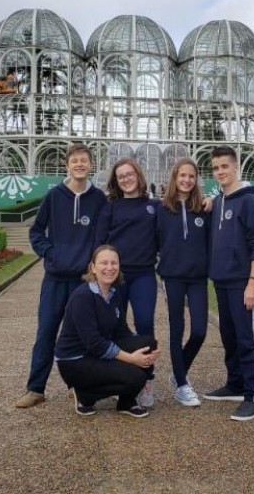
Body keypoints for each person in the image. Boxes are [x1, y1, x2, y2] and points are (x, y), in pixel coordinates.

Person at [15, 143, 107, 409]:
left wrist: (93, 263)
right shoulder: (54, 196)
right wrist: (50, 254)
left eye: (84, 160)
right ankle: (36, 388)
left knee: (83, 335)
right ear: (67, 165)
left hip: (82, 281)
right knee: (46, 332)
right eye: (74, 160)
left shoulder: (98, 199)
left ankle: (79, 386)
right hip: (55, 279)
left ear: (91, 166)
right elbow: (36, 232)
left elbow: (101, 236)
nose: (79, 164)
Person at [55, 245, 160, 418]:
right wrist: (132, 358)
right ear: (93, 267)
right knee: (137, 377)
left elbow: (122, 332)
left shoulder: (113, 294)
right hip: (76, 361)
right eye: (104, 263)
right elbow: (95, 344)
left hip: (95, 352)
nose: (110, 268)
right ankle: (85, 394)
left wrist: (150, 349)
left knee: (147, 343)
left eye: (114, 263)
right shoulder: (83, 297)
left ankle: (126, 402)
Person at [203, 146, 254, 421]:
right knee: (229, 336)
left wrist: (252, 282)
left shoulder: (248, 201)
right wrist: (210, 199)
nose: (220, 172)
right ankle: (236, 384)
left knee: (247, 338)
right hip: (221, 280)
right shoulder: (218, 201)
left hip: (242, 282)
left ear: (236, 166)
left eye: (224, 167)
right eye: (216, 168)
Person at [95, 158, 159, 407]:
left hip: (143, 275)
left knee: (144, 325)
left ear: (138, 175)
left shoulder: (153, 206)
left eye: (129, 174)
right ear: (115, 181)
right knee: (113, 327)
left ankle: (146, 379)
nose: (125, 179)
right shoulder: (110, 208)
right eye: (120, 176)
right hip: (116, 277)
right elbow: (99, 243)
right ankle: (117, 376)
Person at [156, 158, 209, 407]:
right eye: (182, 176)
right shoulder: (162, 209)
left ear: (196, 179)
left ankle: (178, 374)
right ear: (174, 178)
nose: (187, 180)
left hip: (197, 277)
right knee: (177, 330)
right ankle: (182, 383)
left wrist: (215, 199)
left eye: (191, 176)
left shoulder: (204, 209)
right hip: (173, 277)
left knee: (199, 330)